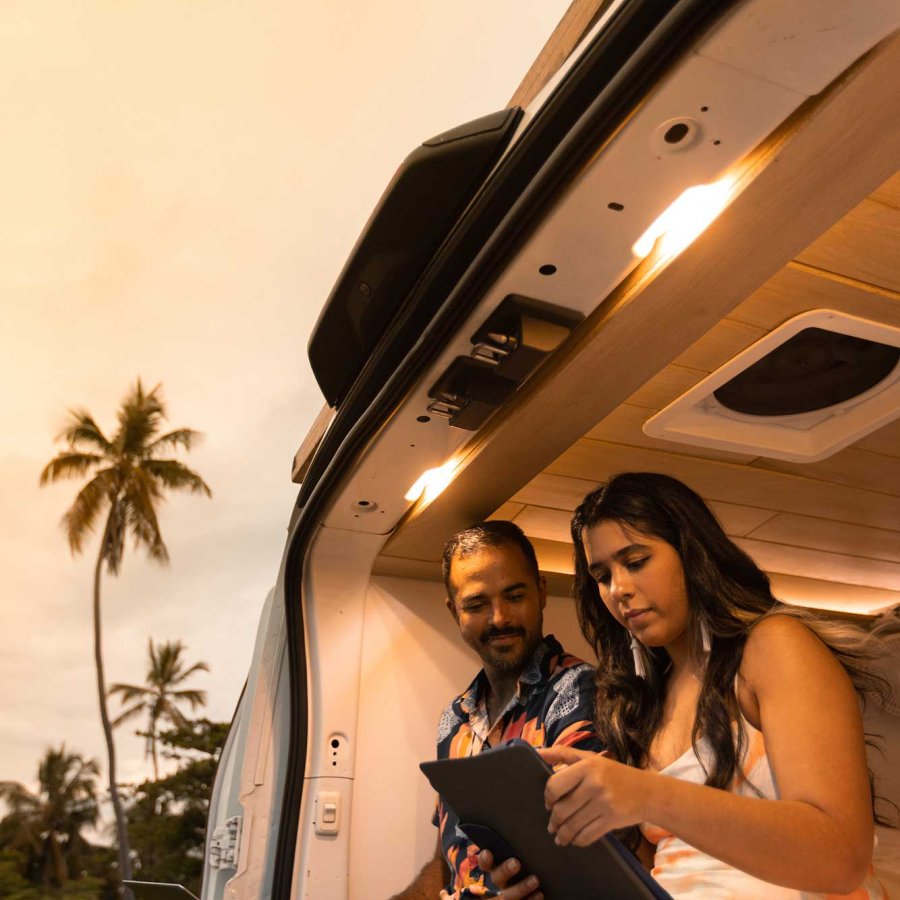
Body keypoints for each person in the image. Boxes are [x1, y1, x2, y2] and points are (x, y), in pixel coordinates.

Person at [483, 472, 887, 900]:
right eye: (602, 576)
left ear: (692, 553)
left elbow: (841, 859)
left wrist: (648, 794)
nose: (619, 589)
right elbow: (666, 870)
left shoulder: (774, 646)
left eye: (636, 562)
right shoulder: (640, 701)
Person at [392, 520, 601, 900]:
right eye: (476, 604)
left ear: (540, 593)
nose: (499, 617)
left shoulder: (578, 691)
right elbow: (446, 857)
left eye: (514, 596)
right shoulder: (453, 721)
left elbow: (578, 859)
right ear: (454, 610)